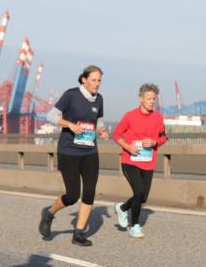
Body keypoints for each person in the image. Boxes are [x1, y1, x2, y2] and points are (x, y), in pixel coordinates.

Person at [38, 65, 109, 246]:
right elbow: (51, 116)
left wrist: (101, 130)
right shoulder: (71, 95)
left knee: (90, 193)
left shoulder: (99, 99)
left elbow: (99, 120)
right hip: (69, 151)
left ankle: (78, 234)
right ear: (84, 79)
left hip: (90, 151)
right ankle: (49, 213)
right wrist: (69, 124)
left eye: (99, 80)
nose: (97, 84)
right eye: (93, 80)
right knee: (72, 195)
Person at [112, 84, 167, 239]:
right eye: (149, 98)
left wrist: (155, 142)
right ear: (140, 98)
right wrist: (128, 147)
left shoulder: (158, 117)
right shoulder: (129, 116)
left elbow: (163, 137)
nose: (152, 101)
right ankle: (135, 226)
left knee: (142, 198)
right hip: (130, 161)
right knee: (138, 192)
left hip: (148, 163)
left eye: (154, 99)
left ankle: (122, 208)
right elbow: (116, 135)